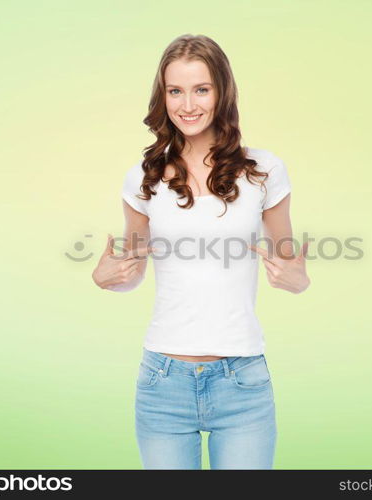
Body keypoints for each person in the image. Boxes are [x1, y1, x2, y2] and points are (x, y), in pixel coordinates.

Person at [92, 34, 310, 469]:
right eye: (175, 90)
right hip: (163, 382)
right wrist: (107, 277)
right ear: (163, 96)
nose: (187, 104)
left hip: (242, 382)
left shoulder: (264, 170)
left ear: (221, 93)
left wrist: (296, 279)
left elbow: (290, 266)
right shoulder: (143, 177)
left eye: (201, 89)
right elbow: (131, 270)